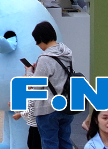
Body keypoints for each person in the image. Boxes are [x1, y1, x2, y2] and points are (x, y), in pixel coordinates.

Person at [31, 20, 75, 149]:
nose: (38, 45)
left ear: (41, 38)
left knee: (50, 143)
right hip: (67, 106)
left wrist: (29, 72)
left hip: (48, 109)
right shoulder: (67, 53)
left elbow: (36, 85)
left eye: (37, 41)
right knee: (65, 141)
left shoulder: (45, 58)